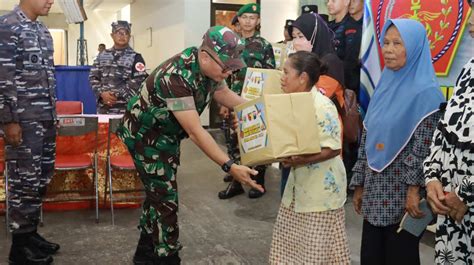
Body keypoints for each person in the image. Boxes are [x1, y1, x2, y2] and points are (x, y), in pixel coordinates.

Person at [117, 26, 263, 265]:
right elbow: (196, 132)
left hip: (167, 135)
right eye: (225, 67)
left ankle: (144, 254)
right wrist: (230, 165)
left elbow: (223, 94)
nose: (228, 73)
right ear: (205, 56)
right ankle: (168, 257)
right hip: (145, 136)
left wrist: (255, 108)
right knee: (166, 200)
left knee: (158, 193)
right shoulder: (175, 77)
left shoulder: (212, 70)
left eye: (232, 67)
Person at [350, 19, 445, 264]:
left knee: (399, 255)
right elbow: (368, 135)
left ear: (414, 48)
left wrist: (414, 191)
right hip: (375, 188)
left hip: (403, 194)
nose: (388, 49)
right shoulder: (384, 85)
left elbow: (423, 148)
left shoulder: (428, 94)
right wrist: (360, 182)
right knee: (371, 254)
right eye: (386, 43)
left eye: (397, 43)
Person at [269, 51, 350, 264]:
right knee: (291, 246)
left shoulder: (322, 106)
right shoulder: (291, 102)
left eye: (286, 72)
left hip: (319, 193)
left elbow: (332, 148)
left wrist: (299, 160)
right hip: (298, 188)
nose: (282, 77)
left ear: (303, 77)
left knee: (317, 251)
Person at [0, 0, 59, 264]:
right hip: (22, 122)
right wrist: (8, 119)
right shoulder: (8, 27)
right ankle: (19, 248)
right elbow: (3, 78)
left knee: (39, 180)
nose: (51, 1)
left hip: (45, 120)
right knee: (23, 182)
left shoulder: (43, 31)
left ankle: (30, 234)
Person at [423, 8, 473, 260]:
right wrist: (432, 179)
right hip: (450, 209)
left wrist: (464, 194)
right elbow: (444, 129)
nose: (471, 21)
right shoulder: (469, 70)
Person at [283, 12, 346, 195]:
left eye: (301, 36)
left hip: (323, 143)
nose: (296, 42)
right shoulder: (304, 63)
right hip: (301, 139)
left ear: (315, 36)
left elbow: (310, 97)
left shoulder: (330, 62)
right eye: (294, 37)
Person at [218, 3, 276, 200]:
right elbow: (223, 74)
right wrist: (223, 102)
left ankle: (258, 181)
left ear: (258, 21)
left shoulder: (265, 45)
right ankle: (236, 181)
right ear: (238, 20)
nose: (249, 21)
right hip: (232, 100)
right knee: (233, 141)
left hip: (255, 102)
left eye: (253, 17)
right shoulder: (231, 44)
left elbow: (270, 76)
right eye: (245, 17)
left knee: (257, 142)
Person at [89, 20, 148, 114]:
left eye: (126, 33)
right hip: (104, 109)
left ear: (129, 36)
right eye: (119, 33)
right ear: (112, 35)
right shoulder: (102, 55)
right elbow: (93, 77)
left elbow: (138, 82)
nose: (122, 35)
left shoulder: (136, 57)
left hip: (126, 110)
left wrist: (114, 95)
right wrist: (102, 94)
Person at [344, 0, 363, 96]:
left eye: (354, 1)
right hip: (347, 76)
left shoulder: (368, 24)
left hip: (364, 76)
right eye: (349, 1)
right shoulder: (345, 24)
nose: (350, 4)